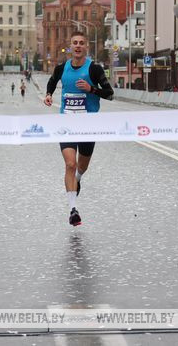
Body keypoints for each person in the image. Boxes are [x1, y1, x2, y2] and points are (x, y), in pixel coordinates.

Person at [44, 31, 114, 227]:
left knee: (81, 167)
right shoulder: (61, 68)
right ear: (70, 46)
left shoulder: (94, 69)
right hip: (66, 124)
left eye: (81, 43)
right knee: (70, 164)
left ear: (86, 47)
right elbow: (52, 82)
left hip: (88, 125)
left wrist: (91, 89)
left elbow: (110, 94)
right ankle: (73, 209)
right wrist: (48, 94)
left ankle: (78, 179)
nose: (78, 46)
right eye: (74, 42)